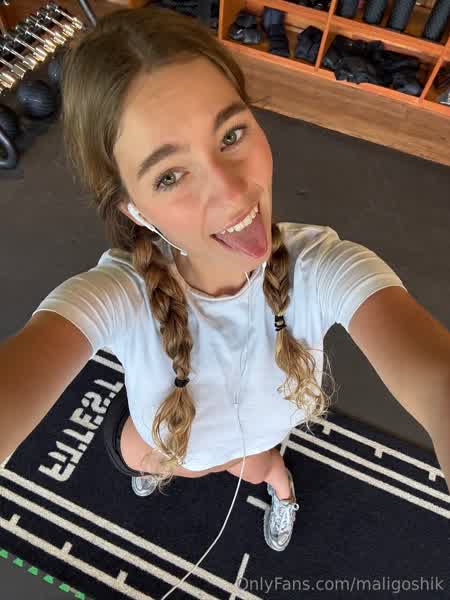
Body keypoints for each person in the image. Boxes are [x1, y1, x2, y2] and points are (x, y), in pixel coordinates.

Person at [28, 5, 409, 552]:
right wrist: (188, 462)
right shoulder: (119, 294)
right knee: (140, 456)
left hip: (251, 447)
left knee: (260, 468)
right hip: (175, 450)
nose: (231, 194)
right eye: (170, 176)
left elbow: (429, 370)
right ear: (136, 211)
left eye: (231, 135)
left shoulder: (320, 268)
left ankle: (282, 490)